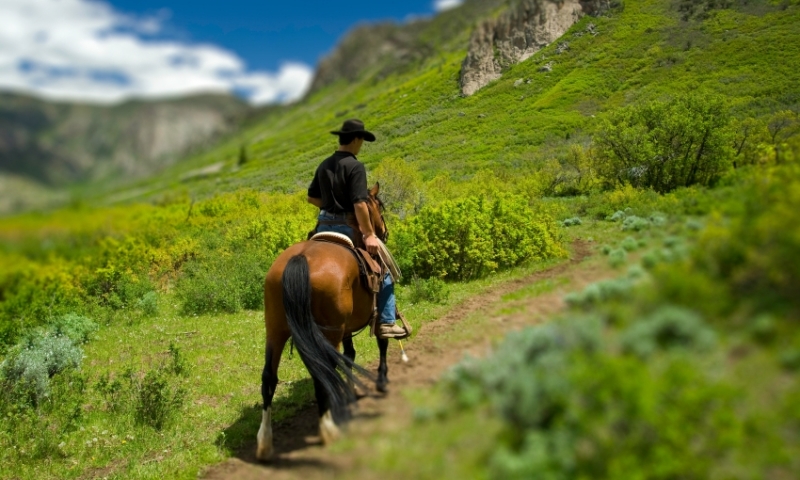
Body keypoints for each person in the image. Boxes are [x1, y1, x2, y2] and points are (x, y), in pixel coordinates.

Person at [307, 119, 408, 339]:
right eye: (361, 139)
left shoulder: (324, 164)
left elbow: (311, 197)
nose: (361, 144)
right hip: (347, 228)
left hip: (322, 226)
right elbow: (360, 203)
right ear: (355, 138)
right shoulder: (355, 166)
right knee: (384, 270)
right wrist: (369, 234)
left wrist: (328, 207)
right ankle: (387, 322)